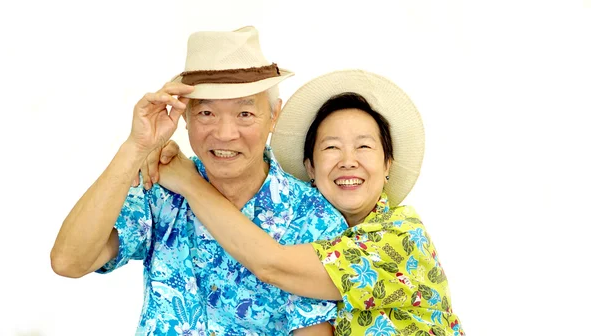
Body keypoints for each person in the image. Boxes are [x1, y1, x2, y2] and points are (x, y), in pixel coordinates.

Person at [50, 26, 347, 335]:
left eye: (245, 113)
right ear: (186, 118)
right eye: (206, 112)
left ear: (274, 115)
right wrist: (135, 148)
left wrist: (189, 183)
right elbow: (69, 261)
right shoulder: (160, 190)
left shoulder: (315, 218)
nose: (224, 133)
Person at [152, 70, 465, 335]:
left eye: (364, 147)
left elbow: (272, 264)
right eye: (331, 147)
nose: (348, 161)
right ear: (311, 169)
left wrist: (189, 182)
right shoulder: (313, 231)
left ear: (387, 166)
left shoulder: (400, 237)